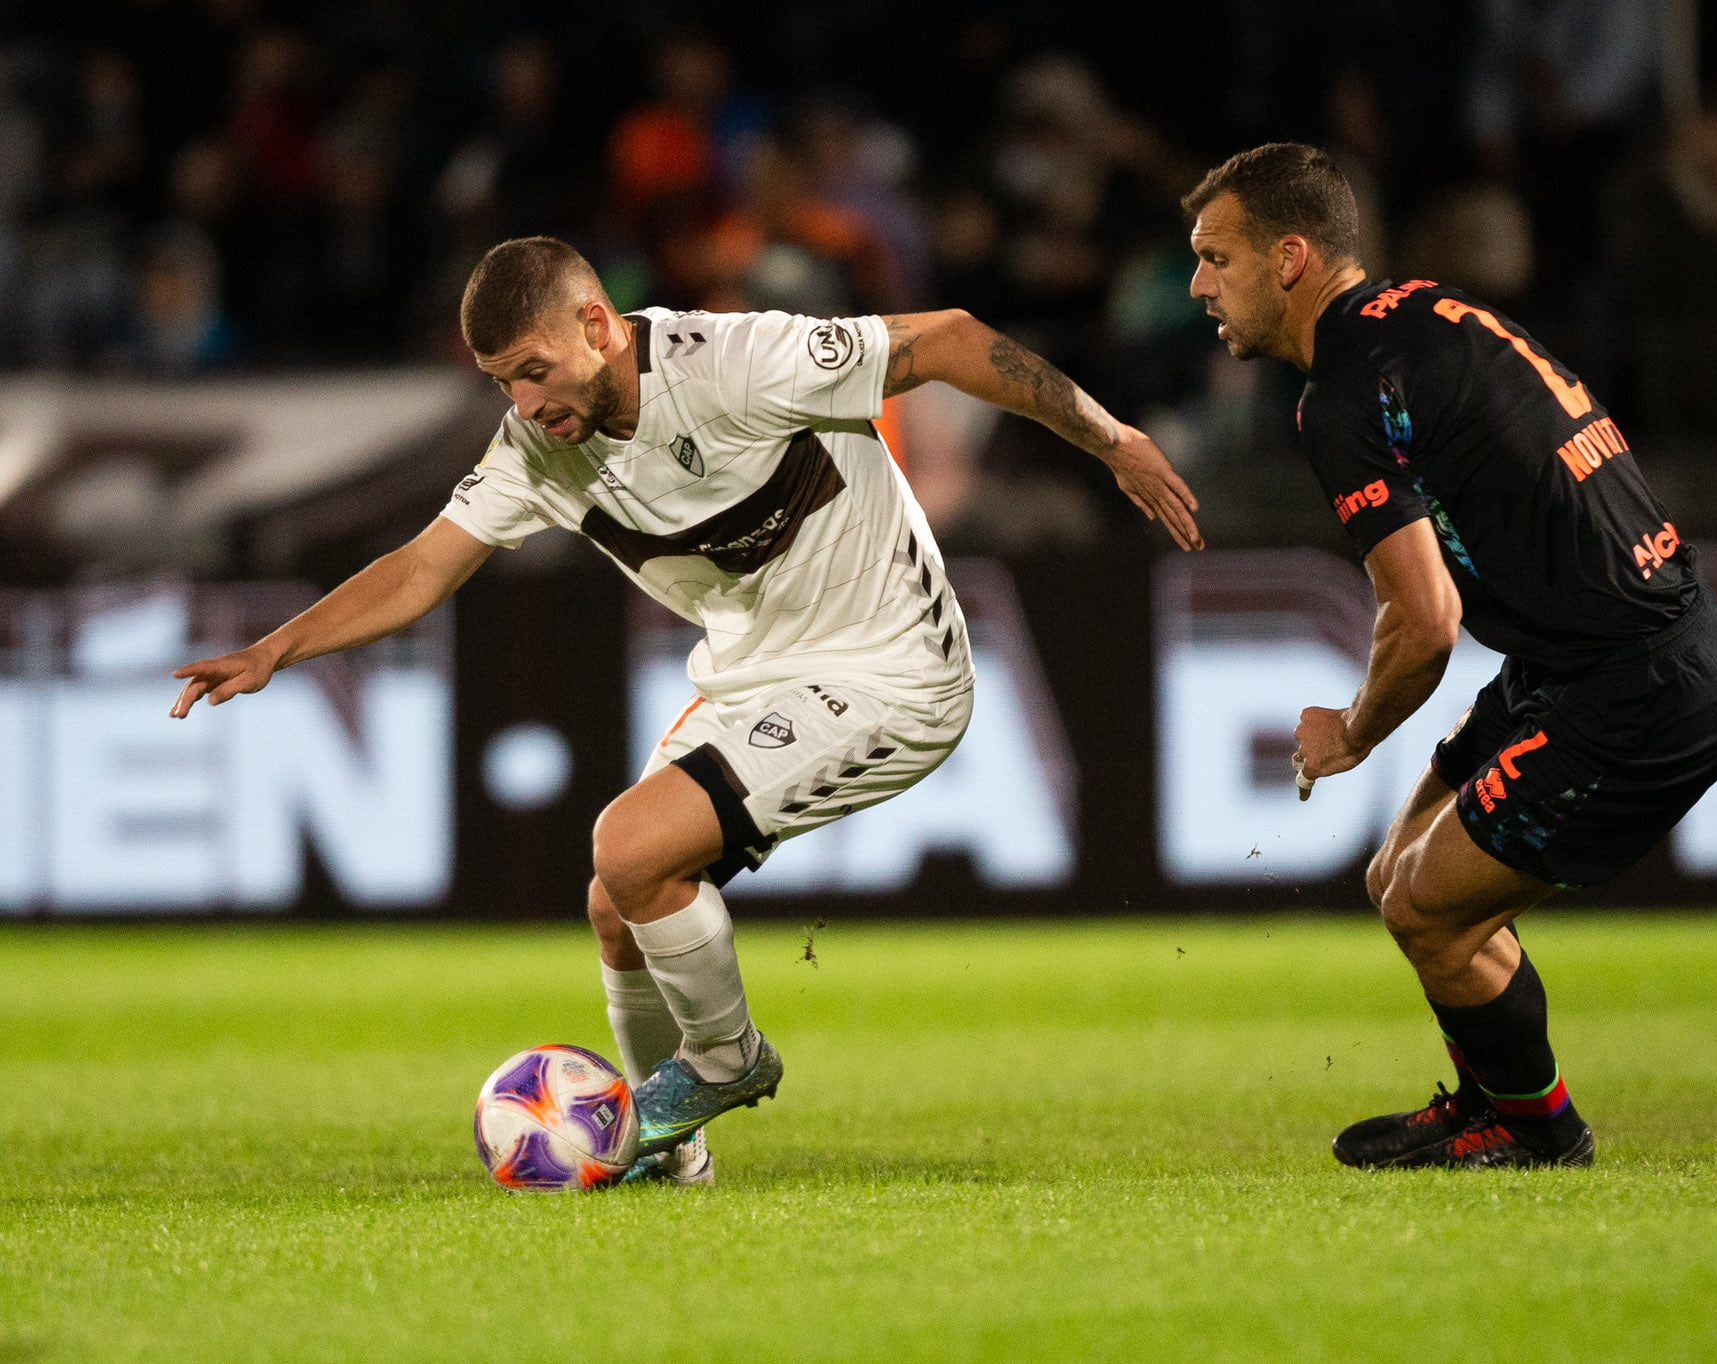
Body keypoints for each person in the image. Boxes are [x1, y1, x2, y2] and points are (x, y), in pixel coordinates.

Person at [169, 235, 1203, 1184]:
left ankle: (724, 1058)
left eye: (533, 371)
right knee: (617, 902)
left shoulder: (737, 361)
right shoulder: (536, 450)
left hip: (892, 668)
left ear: (596, 325)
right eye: (501, 384)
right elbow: (422, 567)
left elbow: (948, 340)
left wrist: (1107, 438)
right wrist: (277, 647)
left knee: (628, 841)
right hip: (756, 677)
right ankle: (673, 1159)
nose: (525, 405)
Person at [1183, 144, 1717, 1169]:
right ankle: (1495, 1100)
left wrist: (1351, 730)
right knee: (1394, 874)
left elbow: (1426, 619)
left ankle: (1535, 1131)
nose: (1198, 286)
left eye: (1216, 258)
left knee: (1423, 903)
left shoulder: (1346, 394)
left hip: (1638, 681)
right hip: (1587, 654)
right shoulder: (1419, 313)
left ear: (1290, 258)